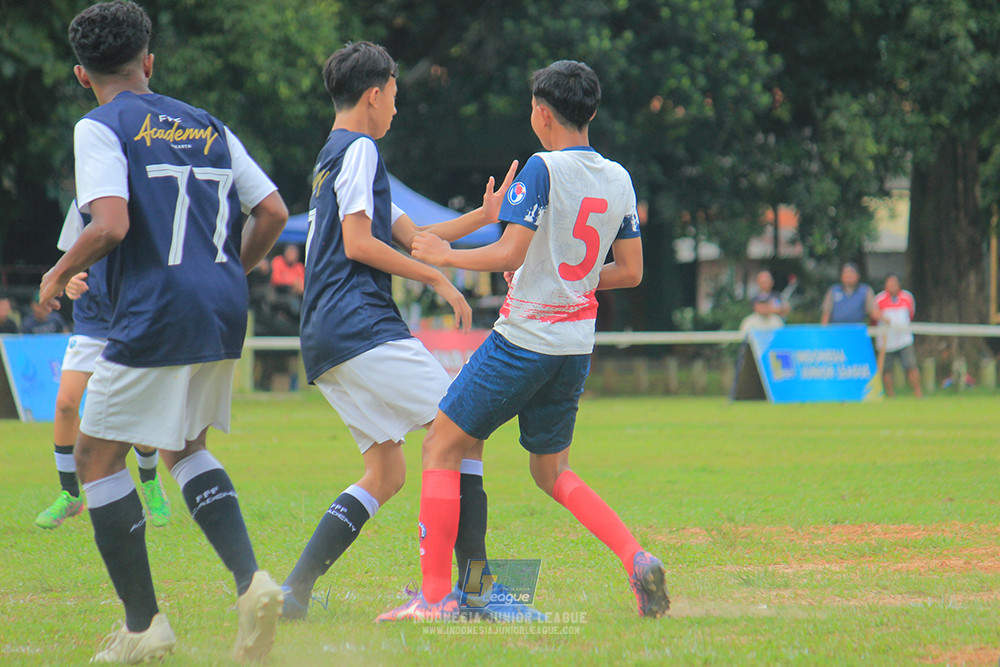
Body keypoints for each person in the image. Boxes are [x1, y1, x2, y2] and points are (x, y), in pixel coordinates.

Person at [38, 2, 288, 662]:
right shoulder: (208, 124)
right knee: (184, 445)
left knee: (95, 458)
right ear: (148, 63)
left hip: (156, 309)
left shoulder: (99, 125)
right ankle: (252, 582)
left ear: (82, 75)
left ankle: (145, 626)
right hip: (222, 306)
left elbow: (110, 223)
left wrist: (57, 272)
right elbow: (271, 209)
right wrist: (222, 272)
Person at [377, 59, 669, 622]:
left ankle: (434, 599)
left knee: (440, 444)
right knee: (550, 471)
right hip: (574, 347)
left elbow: (509, 252)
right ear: (590, 112)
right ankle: (636, 557)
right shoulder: (618, 178)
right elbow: (631, 271)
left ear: (542, 113)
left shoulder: (542, 167)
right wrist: (565, 277)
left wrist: (446, 255)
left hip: (526, 338)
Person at [281, 41, 530, 622]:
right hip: (360, 326)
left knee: (386, 472)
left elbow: (416, 237)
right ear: (374, 95)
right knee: (463, 429)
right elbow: (358, 244)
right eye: (395, 95)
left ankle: (293, 591)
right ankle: (473, 591)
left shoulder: (334, 156)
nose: (397, 107)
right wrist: (438, 279)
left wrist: (482, 218)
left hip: (325, 336)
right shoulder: (361, 149)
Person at [35, 202, 171, 530]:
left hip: (132, 319)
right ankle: (70, 494)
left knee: (135, 410)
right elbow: (69, 260)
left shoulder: (144, 198)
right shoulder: (82, 204)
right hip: (90, 322)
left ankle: (150, 482)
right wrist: (68, 281)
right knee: (66, 403)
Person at [875, 274, 923, 398]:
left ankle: (918, 393)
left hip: (904, 339)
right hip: (886, 341)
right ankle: (890, 395)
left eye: (894, 283)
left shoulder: (907, 297)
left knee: (911, 366)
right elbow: (874, 317)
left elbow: (911, 314)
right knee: (886, 369)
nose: (892, 286)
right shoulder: (879, 299)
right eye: (889, 283)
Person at [738, 269, 789, 333]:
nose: (765, 284)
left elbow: (787, 308)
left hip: (776, 326)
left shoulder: (777, 295)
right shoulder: (755, 297)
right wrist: (774, 309)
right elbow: (759, 310)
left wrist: (773, 309)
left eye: (767, 281)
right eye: (763, 282)